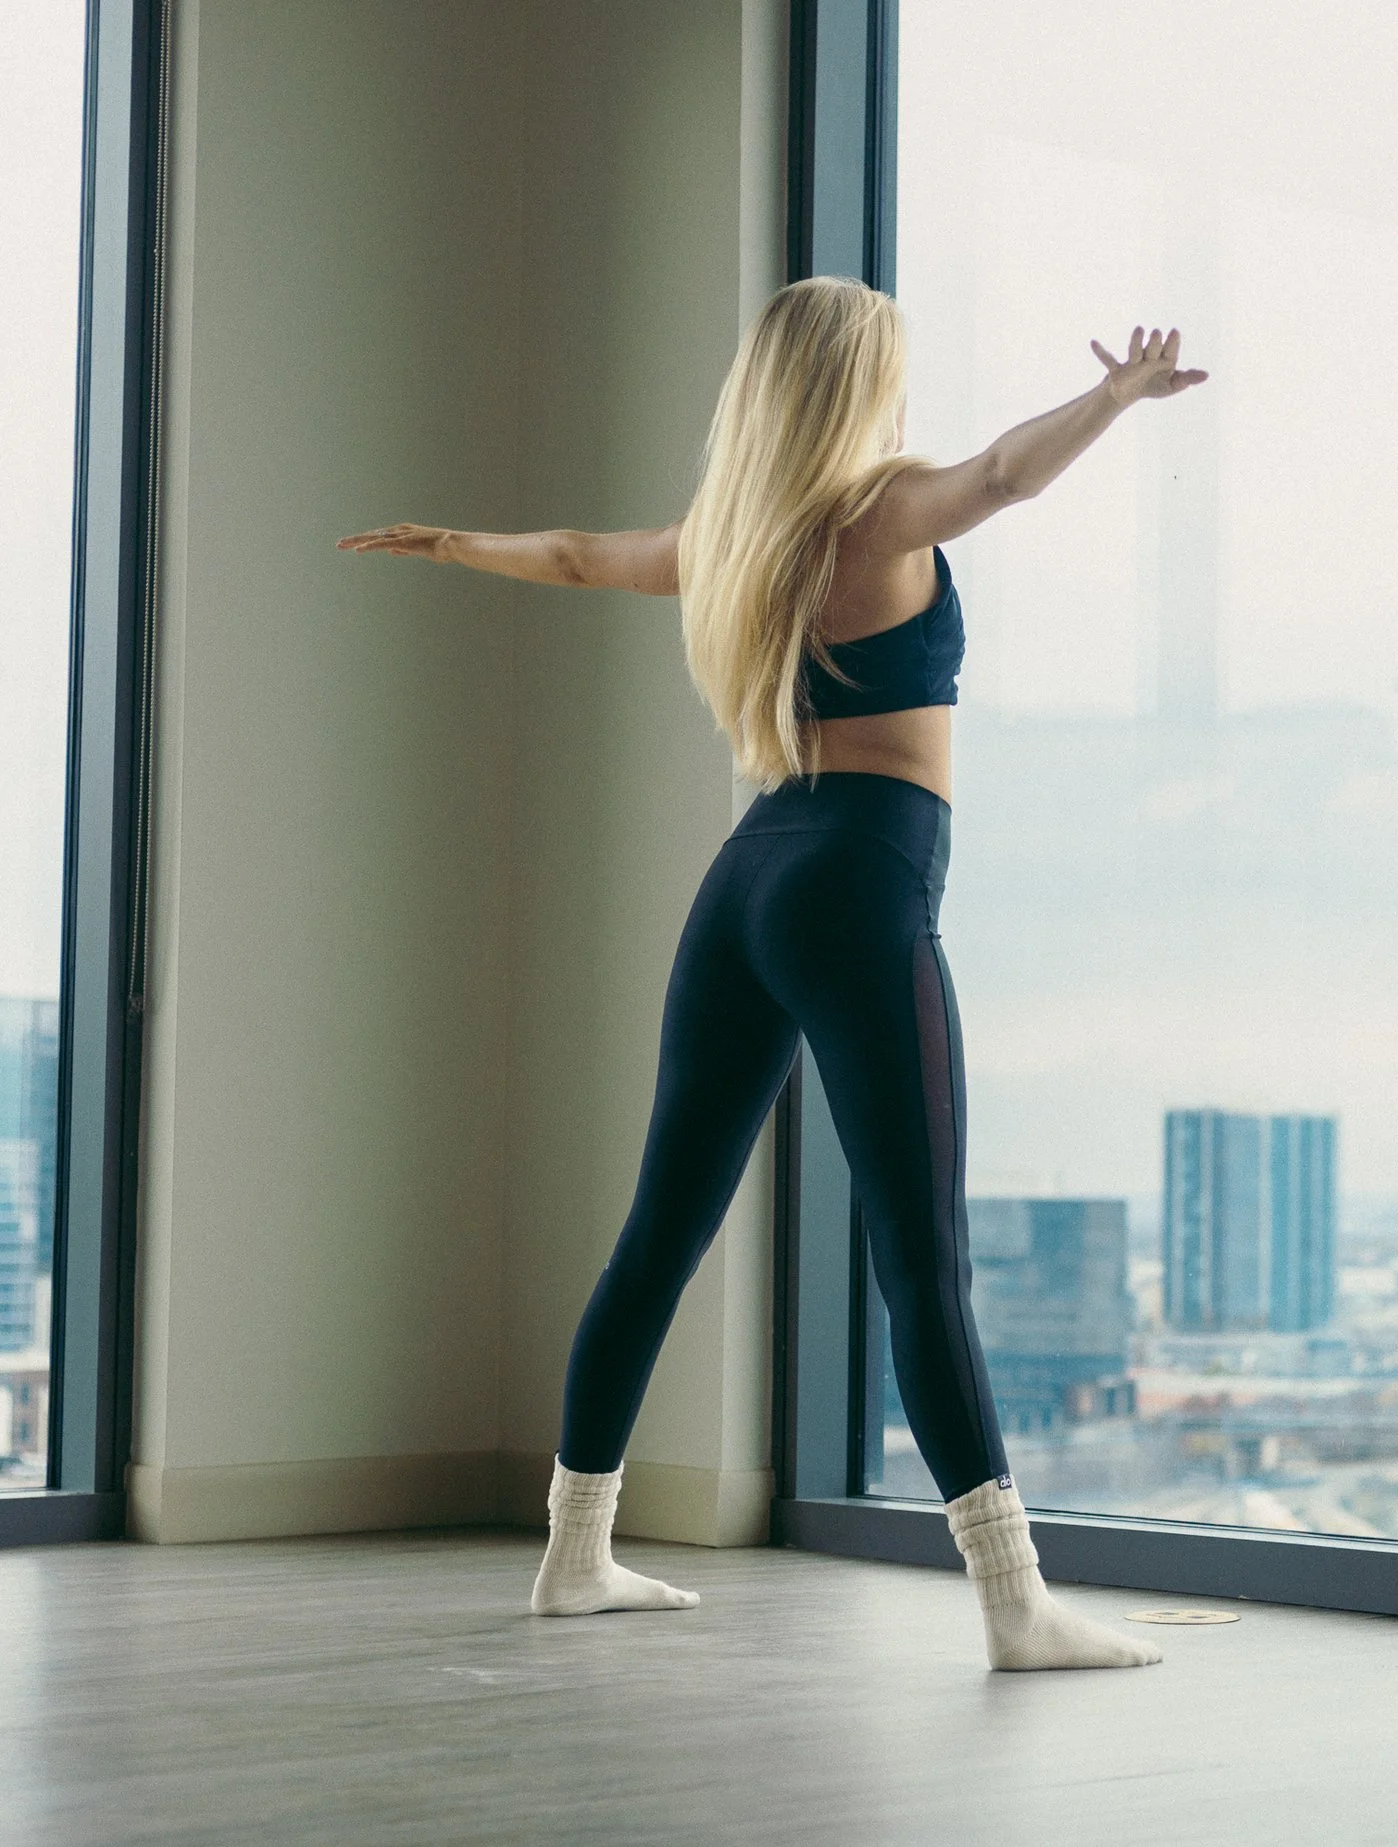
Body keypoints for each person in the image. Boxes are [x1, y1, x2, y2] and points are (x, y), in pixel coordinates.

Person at [339, 276, 1206, 1670]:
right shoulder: (886, 510)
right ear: (862, 388)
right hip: (861, 879)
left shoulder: (729, 539)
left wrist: (447, 541)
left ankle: (576, 1553)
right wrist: (1111, 399)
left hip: (744, 882)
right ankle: (1014, 1602)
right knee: (921, 1257)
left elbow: (569, 553)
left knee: (657, 1235)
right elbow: (1001, 473)